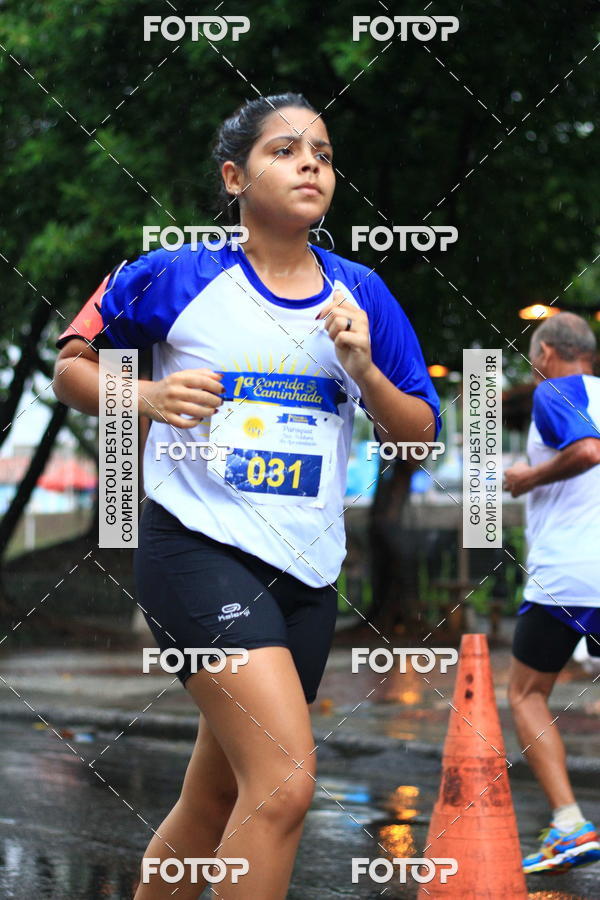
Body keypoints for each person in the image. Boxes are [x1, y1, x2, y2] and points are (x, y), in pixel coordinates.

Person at [52, 93, 441, 898]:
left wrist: (364, 371)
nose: (310, 164)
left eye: (324, 154)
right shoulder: (173, 274)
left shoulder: (361, 293)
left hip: (306, 574)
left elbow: (417, 437)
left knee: (217, 795)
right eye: (285, 150)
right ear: (234, 176)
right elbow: (71, 368)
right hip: (195, 551)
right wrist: (148, 398)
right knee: (284, 785)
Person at [504, 311, 600, 875]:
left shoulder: (555, 390)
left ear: (545, 355)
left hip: (570, 575)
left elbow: (587, 450)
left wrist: (525, 479)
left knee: (526, 694)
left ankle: (568, 826)